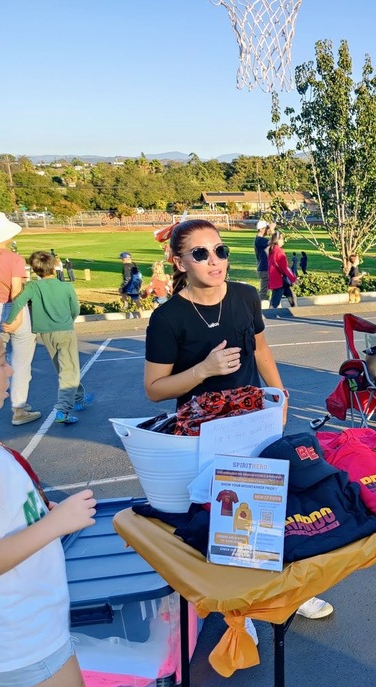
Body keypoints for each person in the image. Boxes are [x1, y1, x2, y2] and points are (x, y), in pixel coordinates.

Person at [143, 219, 333, 620]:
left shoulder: (246, 296)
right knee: (221, 521)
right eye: (200, 254)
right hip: (202, 431)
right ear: (179, 263)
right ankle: (238, 613)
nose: (215, 261)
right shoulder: (168, 318)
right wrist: (203, 370)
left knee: (268, 510)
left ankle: (287, 593)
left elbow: (261, 350)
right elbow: (155, 388)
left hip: (251, 421)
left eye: (220, 250)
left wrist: (279, 395)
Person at [0, 330, 97, 687]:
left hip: (6, 637)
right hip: (20, 633)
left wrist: (36, 511)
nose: (11, 368)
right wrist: (57, 522)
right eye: (0, 361)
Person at [4, 251, 93, 425]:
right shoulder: (66, 287)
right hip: (64, 330)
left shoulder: (32, 287)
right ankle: (63, 409)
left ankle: (79, 396)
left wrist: (9, 321)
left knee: (63, 367)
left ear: (35, 269)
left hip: (45, 333)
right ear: (54, 266)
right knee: (70, 369)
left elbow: (19, 303)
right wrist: (69, 320)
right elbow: (75, 309)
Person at [0, 212, 39, 426]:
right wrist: (17, 317)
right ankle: (18, 408)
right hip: (12, 307)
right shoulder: (13, 258)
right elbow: (17, 291)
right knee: (21, 362)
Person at [267, 231, 296, 309]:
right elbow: (284, 268)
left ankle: (293, 305)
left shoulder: (272, 250)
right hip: (279, 278)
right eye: (282, 239)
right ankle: (270, 314)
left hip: (275, 277)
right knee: (275, 300)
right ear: (278, 240)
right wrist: (293, 279)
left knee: (288, 292)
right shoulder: (279, 251)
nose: (283, 240)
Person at [254, 220, 271, 299]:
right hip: (264, 269)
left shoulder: (260, 240)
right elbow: (275, 241)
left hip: (264, 268)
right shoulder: (260, 240)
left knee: (269, 291)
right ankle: (260, 309)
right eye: (266, 228)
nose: (268, 229)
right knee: (263, 293)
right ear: (261, 229)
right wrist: (273, 230)